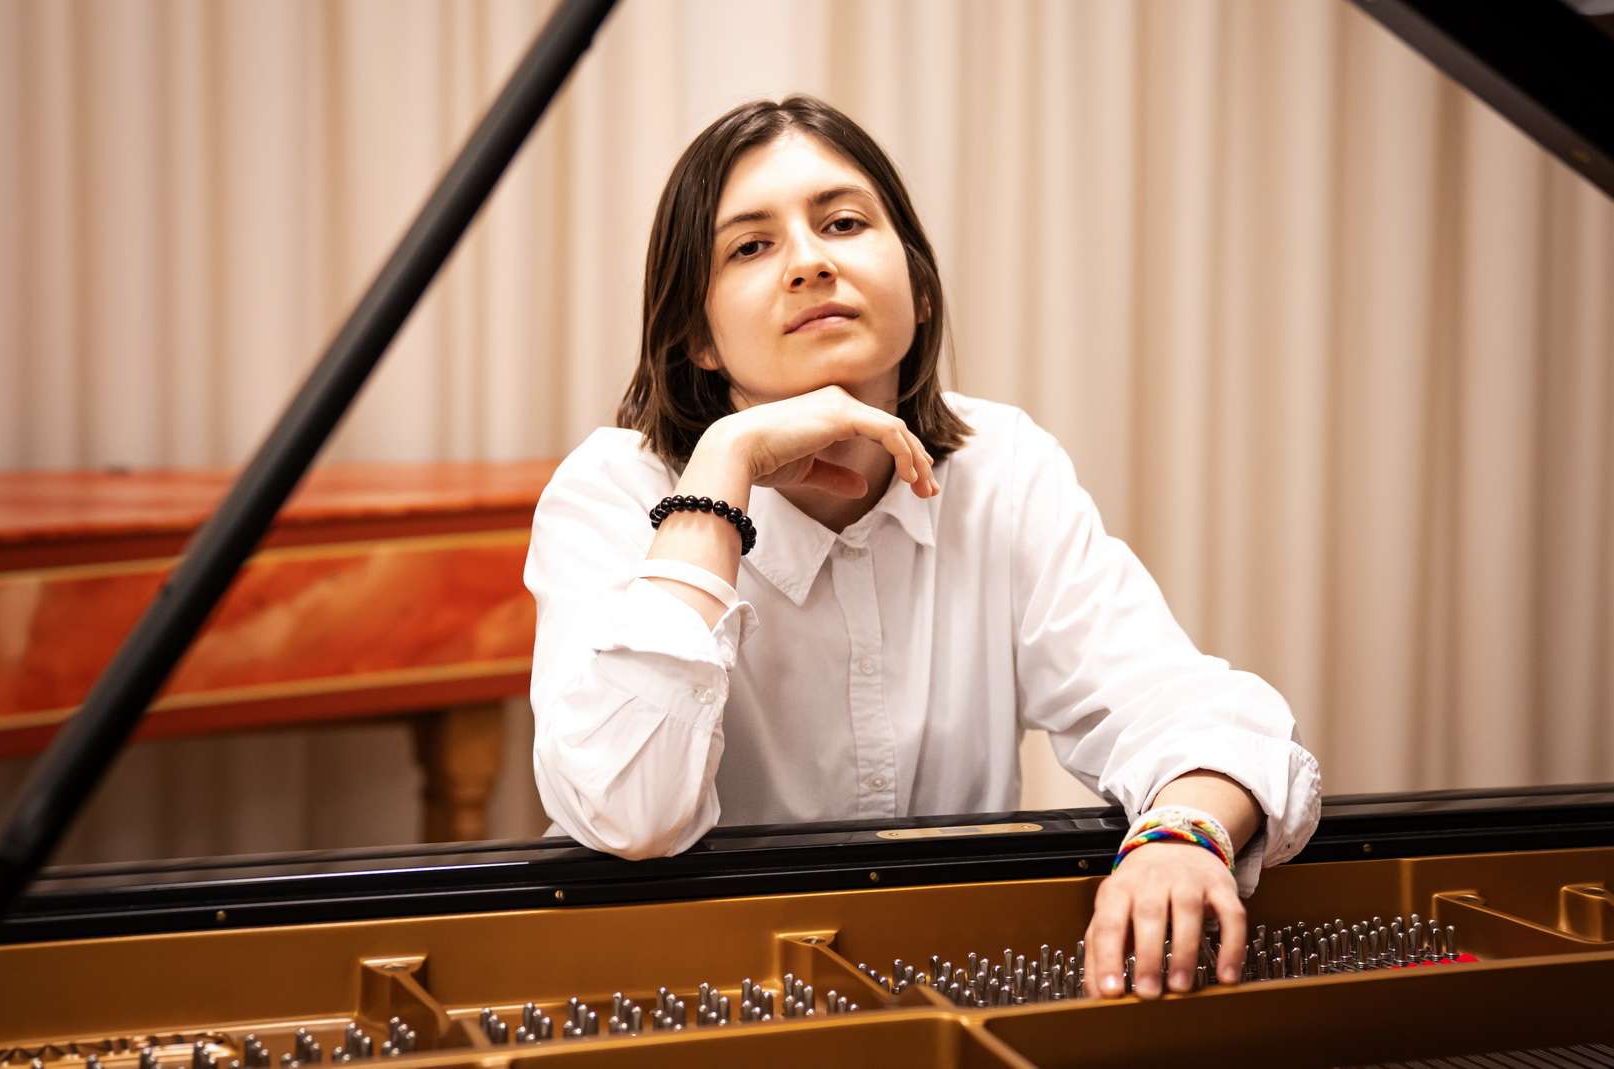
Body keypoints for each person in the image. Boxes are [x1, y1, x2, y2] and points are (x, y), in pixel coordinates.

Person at [523, 95, 1321, 998]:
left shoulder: (1002, 465)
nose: (811, 262)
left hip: (949, 978)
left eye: (843, 223)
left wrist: (1179, 833)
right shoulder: (611, 490)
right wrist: (721, 474)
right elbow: (629, 813)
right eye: (750, 246)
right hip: (679, 988)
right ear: (699, 337)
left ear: (921, 286)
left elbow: (1180, 703)